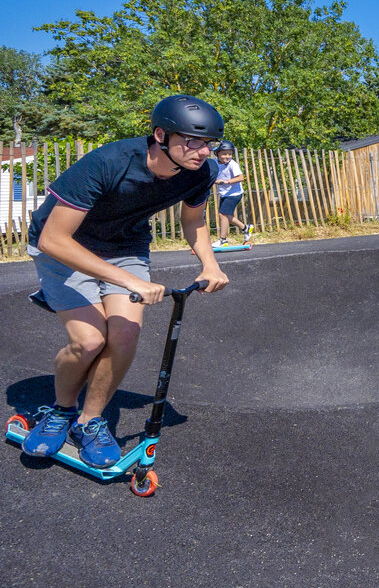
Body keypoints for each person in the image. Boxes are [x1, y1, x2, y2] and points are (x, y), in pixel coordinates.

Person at [20, 94, 229, 469]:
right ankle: (61, 412)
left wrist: (210, 265)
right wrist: (128, 281)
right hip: (63, 247)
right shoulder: (107, 162)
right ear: (161, 135)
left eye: (208, 143)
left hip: (125, 245)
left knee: (124, 335)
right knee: (89, 341)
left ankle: (90, 421)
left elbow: (193, 222)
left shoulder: (202, 172)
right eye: (191, 141)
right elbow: (55, 239)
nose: (202, 151)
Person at [212, 142, 252, 246]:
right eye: (224, 154)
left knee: (222, 215)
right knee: (226, 216)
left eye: (229, 154)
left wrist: (227, 181)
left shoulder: (232, 164)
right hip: (224, 193)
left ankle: (223, 240)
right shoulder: (215, 163)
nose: (227, 156)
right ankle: (245, 228)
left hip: (234, 194)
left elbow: (240, 177)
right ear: (217, 154)